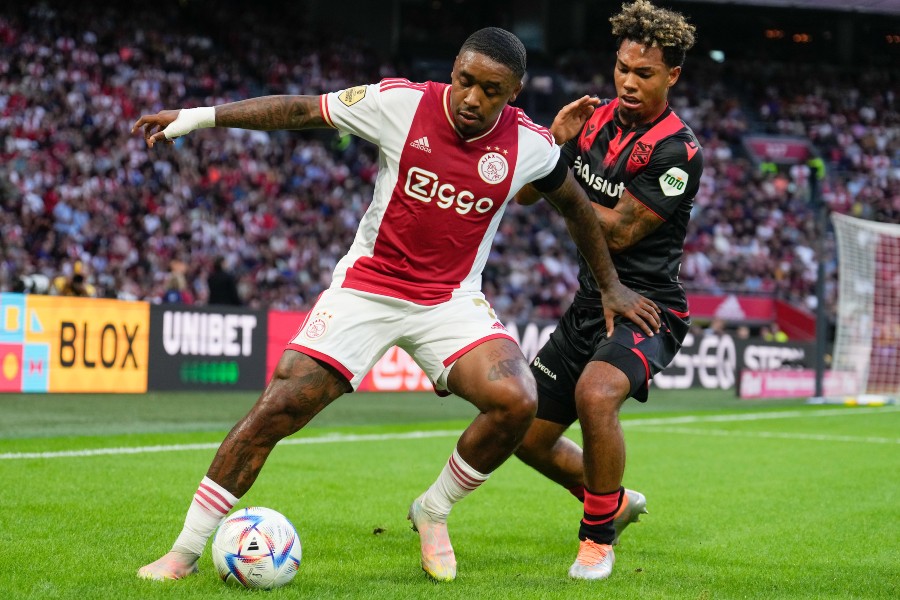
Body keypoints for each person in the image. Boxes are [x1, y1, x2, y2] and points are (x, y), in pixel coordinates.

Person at [131, 27, 661, 583]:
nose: (473, 99)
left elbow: (576, 209)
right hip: (368, 289)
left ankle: (433, 510)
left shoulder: (531, 144)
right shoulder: (400, 104)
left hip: (450, 301)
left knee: (517, 400)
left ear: (514, 92)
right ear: (453, 70)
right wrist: (198, 117)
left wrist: (610, 286)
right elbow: (301, 110)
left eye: (491, 91)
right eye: (465, 81)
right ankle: (184, 552)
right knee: (279, 407)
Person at [513, 0, 702, 581]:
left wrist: (557, 176)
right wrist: (552, 143)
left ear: (672, 75)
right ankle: (612, 502)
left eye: (644, 73)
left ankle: (596, 541)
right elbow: (525, 194)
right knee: (526, 435)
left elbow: (617, 231)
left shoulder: (678, 151)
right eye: (622, 67)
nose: (628, 82)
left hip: (647, 308)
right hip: (590, 302)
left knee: (596, 396)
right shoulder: (592, 122)